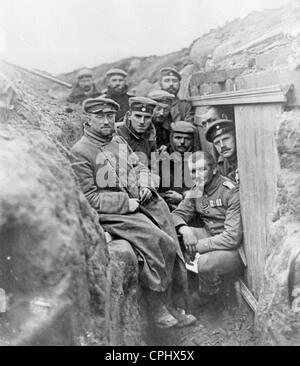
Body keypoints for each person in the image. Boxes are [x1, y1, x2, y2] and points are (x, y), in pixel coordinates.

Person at [70, 96, 195, 328]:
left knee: (170, 234)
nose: (106, 121)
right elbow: (89, 198)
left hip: (141, 200)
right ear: (88, 119)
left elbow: (140, 166)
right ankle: (156, 305)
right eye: (100, 116)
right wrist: (126, 203)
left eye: (109, 116)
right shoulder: (80, 151)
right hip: (114, 213)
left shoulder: (117, 141)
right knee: (157, 240)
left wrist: (146, 184)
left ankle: (174, 302)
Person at [172, 151, 244, 298]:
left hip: (234, 250)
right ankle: (185, 289)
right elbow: (176, 215)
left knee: (204, 263)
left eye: (202, 169)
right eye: (193, 171)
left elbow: (232, 237)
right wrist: (185, 230)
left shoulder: (229, 191)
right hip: (211, 237)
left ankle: (209, 297)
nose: (197, 175)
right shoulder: (196, 190)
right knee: (173, 239)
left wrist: (200, 246)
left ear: (215, 169)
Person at [158, 121, 199, 211]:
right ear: (171, 138)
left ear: (193, 140)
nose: (182, 142)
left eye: (187, 139)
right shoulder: (160, 159)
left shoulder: (199, 162)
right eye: (178, 137)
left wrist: (182, 197)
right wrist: (166, 197)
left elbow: (206, 194)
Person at [116, 97, 157, 169]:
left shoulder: (150, 135)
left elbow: (152, 165)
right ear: (129, 116)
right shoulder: (116, 133)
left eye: (147, 117)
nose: (142, 122)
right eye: (138, 116)